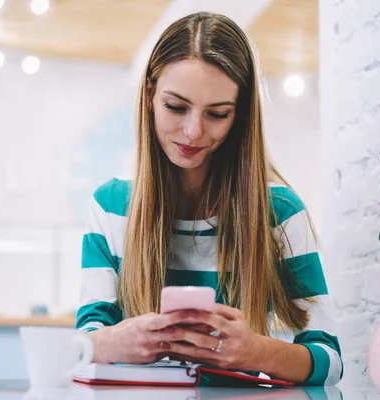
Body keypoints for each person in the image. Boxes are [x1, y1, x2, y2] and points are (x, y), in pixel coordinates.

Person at [76, 12, 342, 385]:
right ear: (150, 96)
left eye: (218, 114)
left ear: (240, 116)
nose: (193, 131)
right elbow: (84, 342)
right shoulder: (110, 207)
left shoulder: (279, 213)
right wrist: (109, 343)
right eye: (176, 107)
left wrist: (257, 351)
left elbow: (330, 360)